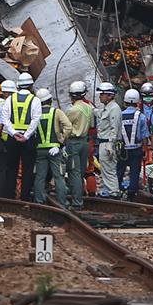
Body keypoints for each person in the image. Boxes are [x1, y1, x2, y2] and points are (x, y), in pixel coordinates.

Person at [1, 72, 43, 200]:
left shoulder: (9, 99)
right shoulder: (35, 100)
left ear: (18, 86)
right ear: (31, 86)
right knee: (28, 169)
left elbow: (5, 118)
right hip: (28, 140)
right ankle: (25, 196)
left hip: (12, 139)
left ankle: (9, 195)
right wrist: (26, 135)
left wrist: (14, 133)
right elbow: (36, 119)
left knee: (11, 167)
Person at [33, 88, 72, 206]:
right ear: (50, 100)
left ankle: (39, 200)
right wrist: (61, 140)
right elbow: (68, 127)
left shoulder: (35, 114)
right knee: (58, 177)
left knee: (40, 176)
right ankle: (62, 202)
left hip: (40, 149)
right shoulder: (56, 112)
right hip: (54, 149)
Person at [118, 89, 150, 201]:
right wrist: (145, 150)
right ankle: (132, 193)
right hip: (136, 149)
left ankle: (117, 190)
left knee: (120, 170)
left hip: (123, 149)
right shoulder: (141, 116)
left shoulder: (120, 115)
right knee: (135, 171)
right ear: (137, 102)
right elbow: (145, 135)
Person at [64, 81, 92, 209]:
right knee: (80, 172)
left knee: (74, 172)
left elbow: (64, 125)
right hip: (85, 142)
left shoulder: (73, 110)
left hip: (74, 143)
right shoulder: (88, 107)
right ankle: (78, 194)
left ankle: (77, 202)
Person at [95, 82, 122, 198]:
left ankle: (114, 192)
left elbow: (114, 128)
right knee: (106, 169)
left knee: (109, 169)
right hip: (104, 143)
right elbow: (100, 114)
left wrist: (111, 144)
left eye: (102, 94)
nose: (100, 96)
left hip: (107, 143)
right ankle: (111, 190)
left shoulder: (114, 109)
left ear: (110, 95)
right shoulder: (107, 108)